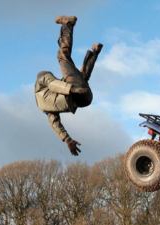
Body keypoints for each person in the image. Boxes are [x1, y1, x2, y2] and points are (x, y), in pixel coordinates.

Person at [35, 16, 103, 156]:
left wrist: (67, 140)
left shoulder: (46, 109)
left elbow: (55, 124)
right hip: (76, 92)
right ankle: (68, 24)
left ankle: (95, 52)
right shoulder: (42, 79)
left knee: (81, 78)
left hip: (85, 100)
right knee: (62, 55)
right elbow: (52, 84)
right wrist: (71, 89)